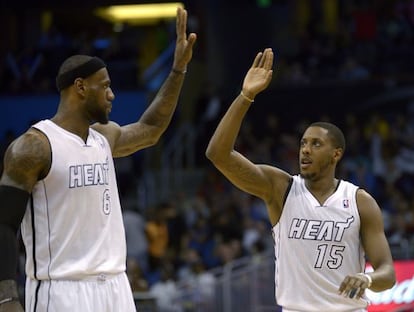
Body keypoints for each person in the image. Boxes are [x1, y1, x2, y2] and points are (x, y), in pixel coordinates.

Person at [0, 7, 196, 312]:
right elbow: (4, 224)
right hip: (62, 289)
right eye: (104, 86)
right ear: (80, 87)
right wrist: (7, 296)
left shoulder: (105, 136)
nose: (112, 95)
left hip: (116, 286)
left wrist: (177, 71)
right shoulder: (34, 147)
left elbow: (151, 129)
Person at [205, 48, 396, 311]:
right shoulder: (280, 188)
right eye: (303, 143)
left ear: (336, 154)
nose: (305, 149)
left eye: (316, 144)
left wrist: (367, 277)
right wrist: (245, 96)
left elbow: (388, 274)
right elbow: (218, 154)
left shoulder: (360, 202)